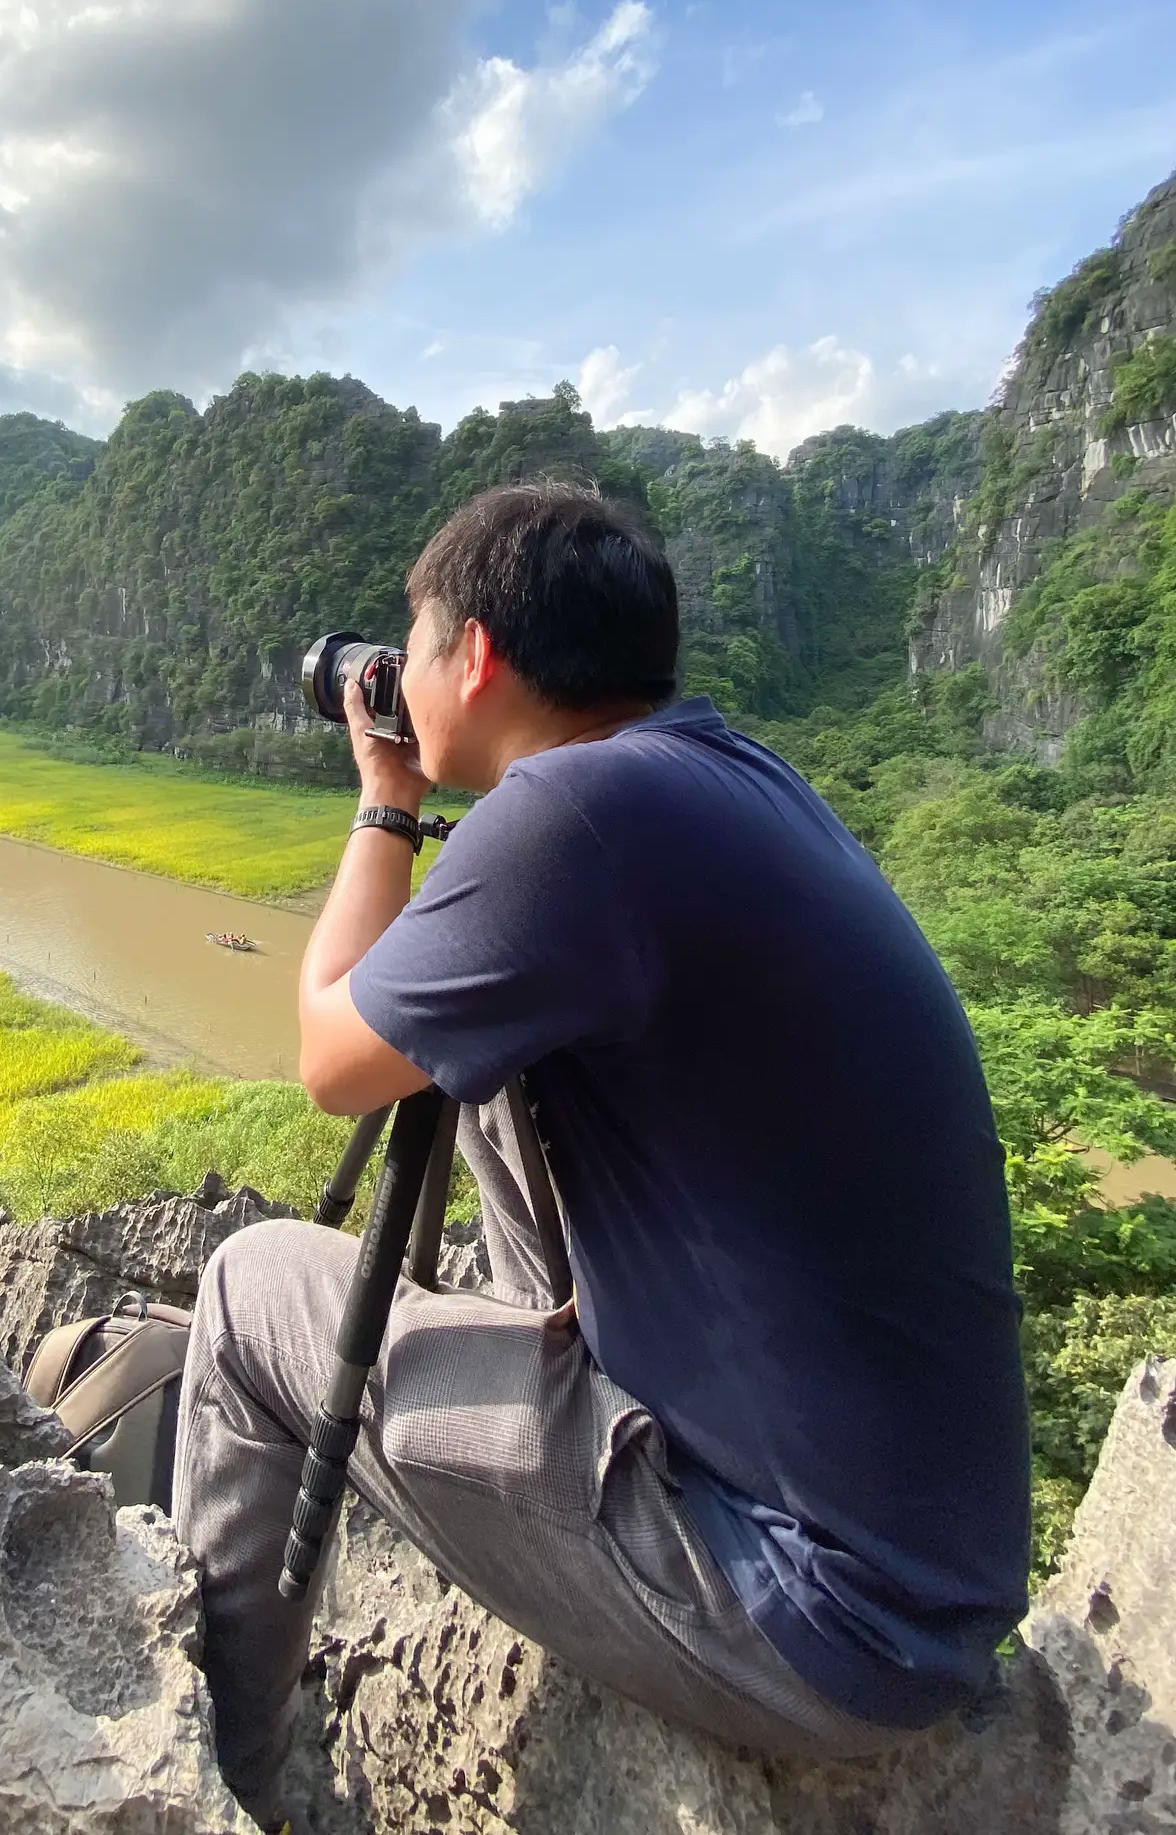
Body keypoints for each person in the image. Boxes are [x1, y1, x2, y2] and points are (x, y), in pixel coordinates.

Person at [172, 483, 1030, 1832]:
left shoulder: (570, 816)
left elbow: (334, 1060)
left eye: (412, 638)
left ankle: (225, 1778)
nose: (391, 674)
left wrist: (383, 806)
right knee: (505, 1065)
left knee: (244, 1291)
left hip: (800, 1607)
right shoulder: (722, 778)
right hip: (918, 1576)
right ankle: (536, 1371)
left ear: (476, 656)